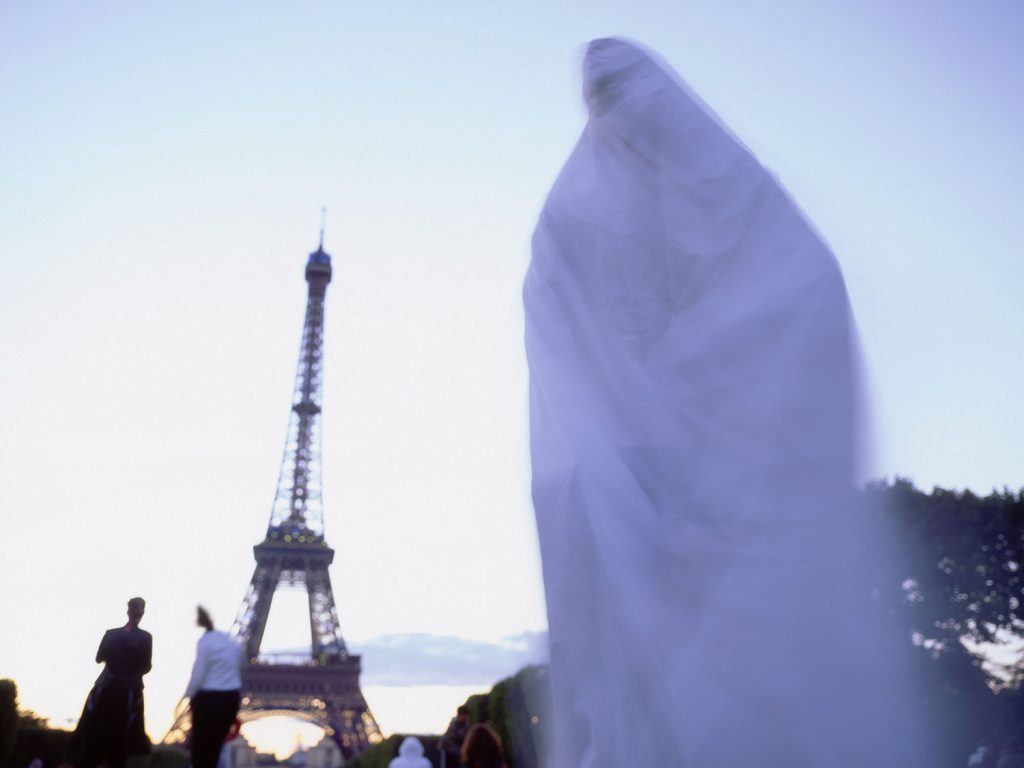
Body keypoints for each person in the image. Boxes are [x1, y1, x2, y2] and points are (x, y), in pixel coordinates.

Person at [524, 37, 936, 765]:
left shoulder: (573, 213)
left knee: (658, 656)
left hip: (644, 457)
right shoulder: (724, 192)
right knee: (694, 652)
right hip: (682, 457)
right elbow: (805, 275)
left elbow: (555, 330)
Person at [73, 597, 152, 768]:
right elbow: (146, 667)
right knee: (121, 739)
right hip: (128, 690)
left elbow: (98, 658)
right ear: (141, 612)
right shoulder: (145, 638)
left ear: (128, 611)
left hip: (105, 687)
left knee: (93, 733)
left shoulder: (111, 634)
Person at [185, 606, 244, 768]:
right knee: (217, 746)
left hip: (208, 699)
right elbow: (242, 662)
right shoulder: (232, 642)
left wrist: (188, 696)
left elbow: (198, 673)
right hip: (230, 698)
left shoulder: (205, 642)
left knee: (201, 748)